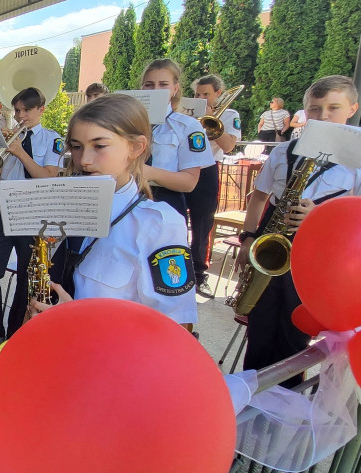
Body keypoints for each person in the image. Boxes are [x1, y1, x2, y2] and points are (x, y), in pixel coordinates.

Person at [237, 75, 361, 387]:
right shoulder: (283, 152)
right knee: (260, 332)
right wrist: (248, 238)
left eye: (333, 108)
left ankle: (287, 405)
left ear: (352, 109)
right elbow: (259, 198)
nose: (323, 116)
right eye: (315, 109)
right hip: (272, 251)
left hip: (319, 262)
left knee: (294, 340)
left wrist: (320, 214)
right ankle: (250, 399)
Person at [27, 93, 197, 327]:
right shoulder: (64, 208)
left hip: (112, 359)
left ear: (136, 147)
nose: (84, 160)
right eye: (76, 147)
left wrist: (78, 319)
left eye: (99, 146)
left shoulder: (159, 224)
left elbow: (174, 329)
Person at [0, 87, 65, 339]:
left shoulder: (52, 139)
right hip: (5, 210)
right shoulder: (8, 137)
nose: (21, 116)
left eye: (27, 110)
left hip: (34, 216)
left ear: (41, 109)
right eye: (18, 110)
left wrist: (20, 153)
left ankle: (16, 332)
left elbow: (49, 177)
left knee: (25, 276)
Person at [188, 74, 242, 297]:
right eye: (197, 94)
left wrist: (212, 121)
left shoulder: (229, 115)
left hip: (208, 169)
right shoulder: (188, 113)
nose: (200, 98)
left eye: (206, 94)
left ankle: (199, 275)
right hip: (183, 168)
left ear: (219, 94)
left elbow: (229, 146)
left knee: (202, 226)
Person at [140, 59, 213, 221]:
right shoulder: (126, 124)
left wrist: (149, 172)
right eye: (149, 84)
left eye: (163, 84)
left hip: (166, 200)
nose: (156, 90)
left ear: (175, 89)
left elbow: (189, 182)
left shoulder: (187, 126)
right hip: (127, 199)